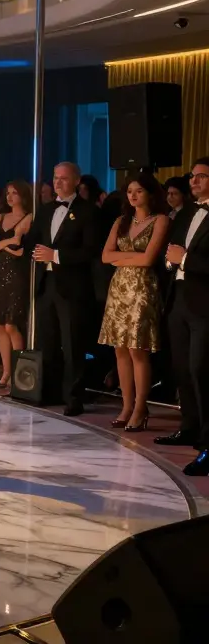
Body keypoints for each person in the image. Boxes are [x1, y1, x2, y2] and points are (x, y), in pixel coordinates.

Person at [99, 173, 170, 432]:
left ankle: (141, 407)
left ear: (150, 193)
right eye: (130, 191)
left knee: (137, 349)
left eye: (139, 191)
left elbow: (149, 259)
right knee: (120, 348)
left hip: (143, 287)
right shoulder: (121, 221)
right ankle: (127, 406)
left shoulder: (160, 220)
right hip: (119, 287)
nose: (133, 195)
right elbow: (105, 256)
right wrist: (132, 257)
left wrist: (122, 257)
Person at [28, 162, 100, 416]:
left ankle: (74, 397)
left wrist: (56, 255)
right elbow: (33, 240)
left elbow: (91, 250)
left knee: (72, 344)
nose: (58, 182)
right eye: (55, 178)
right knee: (47, 342)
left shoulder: (88, 211)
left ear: (77, 181)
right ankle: (48, 392)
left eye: (64, 178)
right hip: (45, 283)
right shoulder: (46, 209)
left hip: (72, 287)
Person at [158, 158, 209, 474]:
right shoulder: (187, 211)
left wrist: (185, 259)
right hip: (177, 300)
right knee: (181, 369)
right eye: (193, 175)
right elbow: (171, 249)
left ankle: (207, 443)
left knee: (201, 370)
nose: (194, 180)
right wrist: (170, 261)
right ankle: (189, 427)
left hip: (204, 305)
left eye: (202, 176)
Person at [0, 180, 34, 390]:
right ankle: (5, 371)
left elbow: (20, 249)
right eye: (8, 193)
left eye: (14, 193)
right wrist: (7, 243)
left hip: (17, 274)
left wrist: (4, 245)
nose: (10, 197)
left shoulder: (29, 217)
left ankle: (17, 372)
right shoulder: (0, 217)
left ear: (23, 195)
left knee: (12, 325)